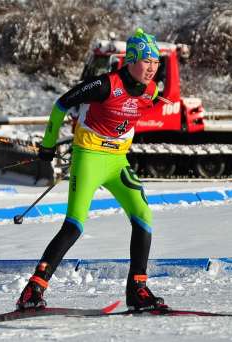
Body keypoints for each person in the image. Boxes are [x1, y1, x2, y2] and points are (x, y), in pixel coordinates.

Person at [16, 28, 167, 311]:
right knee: (74, 225)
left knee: (143, 216)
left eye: (156, 61)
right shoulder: (104, 85)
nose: (151, 68)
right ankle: (33, 290)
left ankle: (137, 289)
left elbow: (139, 104)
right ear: (130, 60)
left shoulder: (152, 91)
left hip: (117, 161)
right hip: (89, 157)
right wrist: (48, 146)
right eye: (146, 60)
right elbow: (61, 104)